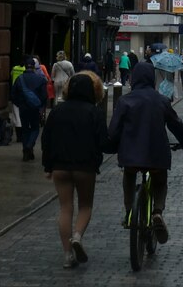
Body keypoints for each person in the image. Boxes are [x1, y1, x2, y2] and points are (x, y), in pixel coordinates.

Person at [108, 61, 183, 243]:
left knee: (129, 176)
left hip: (130, 155)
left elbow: (114, 130)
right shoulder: (161, 100)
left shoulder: (125, 100)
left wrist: (111, 146)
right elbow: (175, 124)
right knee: (160, 181)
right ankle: (157, 211)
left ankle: (130, 210)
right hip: (156, 154)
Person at [42, 73, 112, 268]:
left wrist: (48, 165)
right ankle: (77, 236)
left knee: (65, 208)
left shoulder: (57, 111)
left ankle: (67, 254)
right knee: (85, 206)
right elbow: (104, 142)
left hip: (60, 167)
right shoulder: (94, 112)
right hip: (85, 166)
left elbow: (46, 140)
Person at [11, 57, 48, 160]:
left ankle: (26, 151)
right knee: (35, 128)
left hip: (23, 108)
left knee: (25, 129)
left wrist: (19, 104)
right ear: (34, 67)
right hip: (35, 108)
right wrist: (41, 107)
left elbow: (13, 95)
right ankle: (29, 146)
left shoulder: (20, 79)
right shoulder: (40, 79)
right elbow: (44, 96)